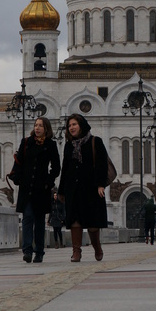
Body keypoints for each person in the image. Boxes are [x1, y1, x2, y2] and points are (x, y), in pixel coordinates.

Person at [59, 113, 108, 263]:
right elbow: (65, 168)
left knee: (93, 224)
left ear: (81, 125)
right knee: (75, 221)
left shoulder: (95, 141)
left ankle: (97, 247)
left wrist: (101, 184)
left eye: (74, 124)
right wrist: (61, 190)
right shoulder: (68, 145)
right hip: (73, 188)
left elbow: (102, 164)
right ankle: (76, 252)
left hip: (91, 188)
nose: (71, 127)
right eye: (69, 125)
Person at [15, 116, 61, 264]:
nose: (37, 128)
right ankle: (27, 250)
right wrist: (18, 177)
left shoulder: (50, 145)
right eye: (36, 125)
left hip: (41, 188)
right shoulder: (26, 142)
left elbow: (56, 167)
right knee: (27, 217)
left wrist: (48, 182)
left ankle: (39, 251)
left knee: (39, 221)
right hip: (27, 186)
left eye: (41, 125)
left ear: (46, 128)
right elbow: (19, 161)